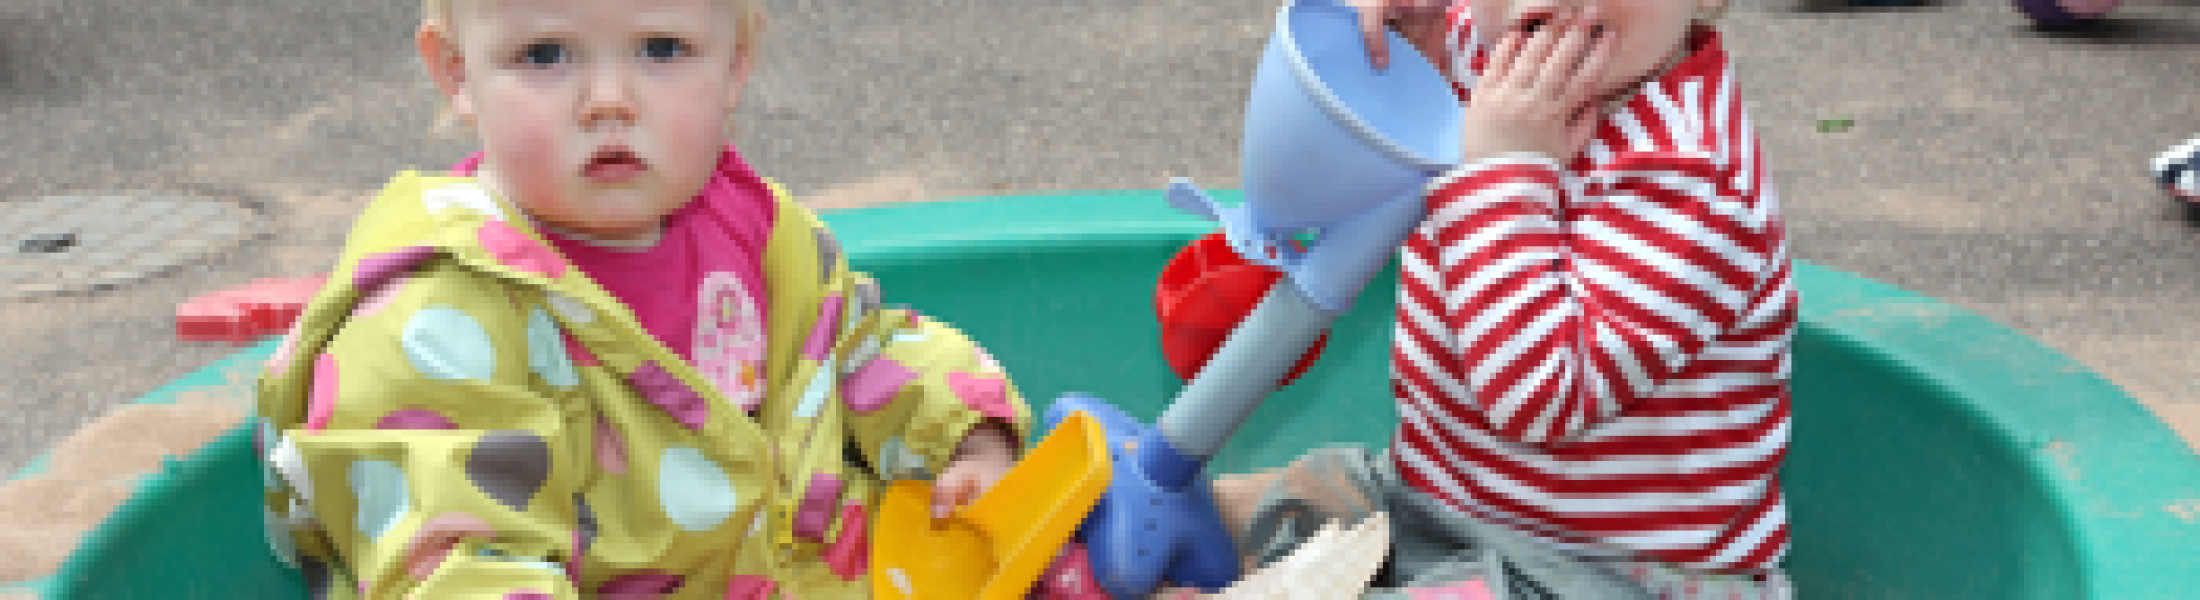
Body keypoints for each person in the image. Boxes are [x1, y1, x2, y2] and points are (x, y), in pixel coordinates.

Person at [250, 0, 1029, 597]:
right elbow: (457, 558)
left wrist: (964, 438)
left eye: (662, 49)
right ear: (456, 73)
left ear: (735, 66)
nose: (608, 100)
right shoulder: (437, 319)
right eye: (546, 54)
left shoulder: (752, 228)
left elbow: (858, 345)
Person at [1159, 0, 1796, 597]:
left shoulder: (1690, 177)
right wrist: (1389, 47)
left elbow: (1537, 398)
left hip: (1604, 574)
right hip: (1430, 500)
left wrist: (1500, 173)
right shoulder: (1486, 42)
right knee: (1230, 513)